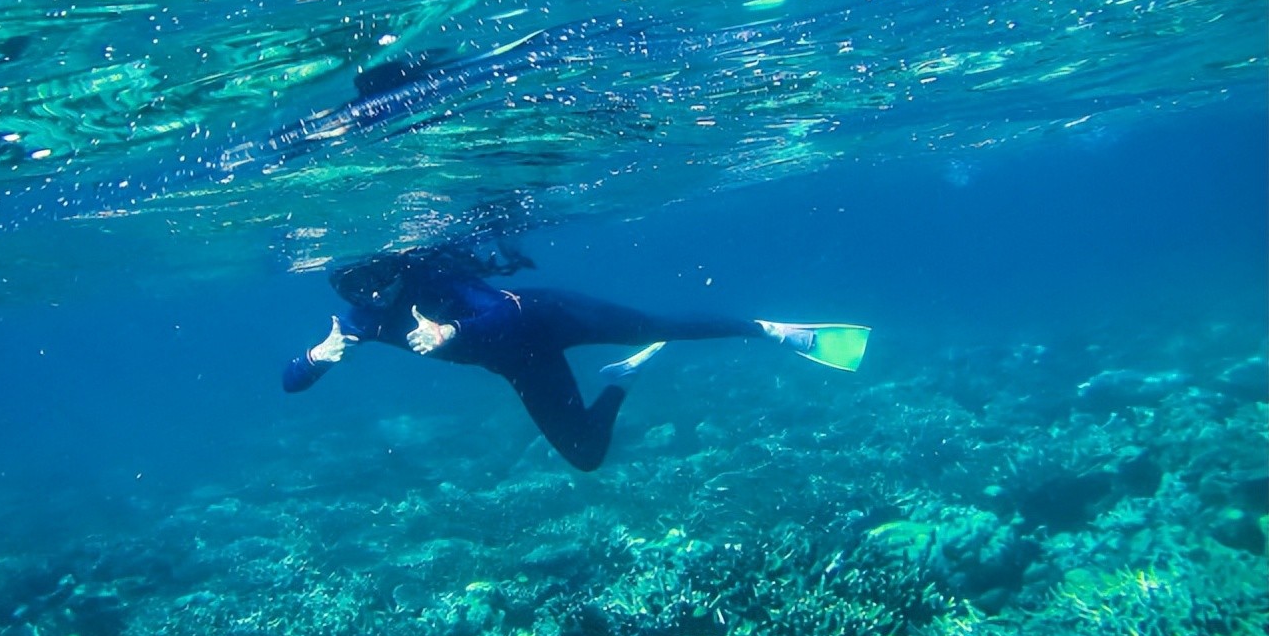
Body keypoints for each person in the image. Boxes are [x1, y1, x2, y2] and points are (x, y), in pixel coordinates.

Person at [283, 245, 869, 471]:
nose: (379, 291)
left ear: (394, 265)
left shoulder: (429, 273)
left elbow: (506, 309)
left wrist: (450, 331)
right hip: (519, 364)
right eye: (362, 288)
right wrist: (317, 356)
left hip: (548, 316)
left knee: (658, 325)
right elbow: (291, 383)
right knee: (586, 455)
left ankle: (771, 331)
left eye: (383, 277)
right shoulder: (358, 323)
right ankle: (620, 381)